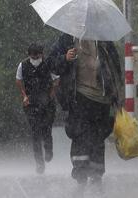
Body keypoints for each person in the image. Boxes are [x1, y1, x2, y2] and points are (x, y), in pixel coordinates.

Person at [47, 34, 123, 188]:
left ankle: (96, 175)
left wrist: (116, 96)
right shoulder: (67, 40)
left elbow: (115, 68)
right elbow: (51, 64)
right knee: (80, 135)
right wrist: (64, 58)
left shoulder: (104, 40)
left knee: (98, 137)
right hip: (78, 97)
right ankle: (80, 175)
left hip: (101, 99)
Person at [15, 43, 57, 174]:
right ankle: (39, 162)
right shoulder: (23, 65)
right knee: (35, 134)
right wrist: (24, 96)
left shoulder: (48, 64)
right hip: (31, 103)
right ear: (29, 55)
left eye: (38, 55)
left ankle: (49, 149)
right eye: (33, 56)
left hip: (47, 103)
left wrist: (50, 95)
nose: (35, 58)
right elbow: (18, 80)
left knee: (47, 129)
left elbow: (56, 80)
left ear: (42, 54)